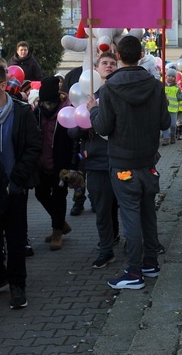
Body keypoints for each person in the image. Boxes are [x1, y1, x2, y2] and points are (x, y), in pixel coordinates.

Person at [88, 35, 169, 289]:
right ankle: (150, 263)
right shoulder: (155, 85)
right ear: (142, 54)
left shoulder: (110, 88)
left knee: (131, 217)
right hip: (148, 161)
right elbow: (166, 123)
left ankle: (134, 272)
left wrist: (93, 110)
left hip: (122, 163)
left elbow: (103, 126)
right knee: (147, 213)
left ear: (119, 56)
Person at [0, 62, 41, 309]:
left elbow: (33, 147)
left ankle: (17, 284)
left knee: (15, 239)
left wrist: (16, 178)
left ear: (2, 86)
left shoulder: (21, 112)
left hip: (14, 187)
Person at [70, 52, 120, 269]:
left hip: (122, 157)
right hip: (97, 160)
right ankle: (106, 248)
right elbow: (72, 132)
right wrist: (86, 121)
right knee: (101, 206)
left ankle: (119, 236)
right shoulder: (85, 93)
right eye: (104, 63)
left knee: (120, 204)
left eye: (112, 63)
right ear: (96, 69)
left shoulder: (120, 91)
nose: (108, 66)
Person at [34, 77, 77, 251]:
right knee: (40, 193)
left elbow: (75, 141)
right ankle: (60, 223)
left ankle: (57, 231)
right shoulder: (36, 112)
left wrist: (74, 165)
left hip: (61, 163)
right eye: (45, 103)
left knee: (59, 197)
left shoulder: (68, 111)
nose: (48, 107)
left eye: (50, 103)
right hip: (41, 163)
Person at [162, 69, 182, 145]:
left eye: (173, 76)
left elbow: (179, 97)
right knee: (165, 125)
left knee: (173, 125)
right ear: (166, 76)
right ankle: (165, 139)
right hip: (164, 109)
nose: (170, 78)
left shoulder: (177, 88)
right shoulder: (162, 86)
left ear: (175, 78)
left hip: (173, 110)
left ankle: (172, 136)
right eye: (169, 76)